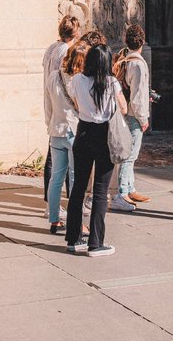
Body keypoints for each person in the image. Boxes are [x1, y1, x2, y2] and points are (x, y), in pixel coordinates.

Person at [65, 44, 128, 257]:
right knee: (100, 190)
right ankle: (96, 242)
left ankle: (74, 239)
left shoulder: (77, 80)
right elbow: (123, 107)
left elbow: (76, 103)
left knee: (78, 188)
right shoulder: (111, 83)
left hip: (83, 133)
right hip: (104, 135)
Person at [110, 24, 151, 211]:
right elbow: (138, 96)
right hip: (134, 114)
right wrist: (143, 118)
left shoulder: (123, 57)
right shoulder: (138, 64)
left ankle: (130, 187)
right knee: (130, 155)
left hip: (124, 111)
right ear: (142, 42)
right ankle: (123, 192)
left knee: (129, 153)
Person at [42, 15, 81, 204]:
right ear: (76, 32)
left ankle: (51, 202)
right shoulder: (67, 50)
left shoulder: (51, 48)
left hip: (52, 103)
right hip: (64, 109)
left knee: (53, 159)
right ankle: (62, 203)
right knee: (64, 166)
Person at [46, 43, 79, 234]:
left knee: (56, 178)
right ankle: (76, 222)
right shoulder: (77, 80)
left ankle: (54, 219)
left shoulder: (53, 76)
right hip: (73, 131)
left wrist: (49, 123)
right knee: (75, 179)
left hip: (56, 129)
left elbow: (47, 103)